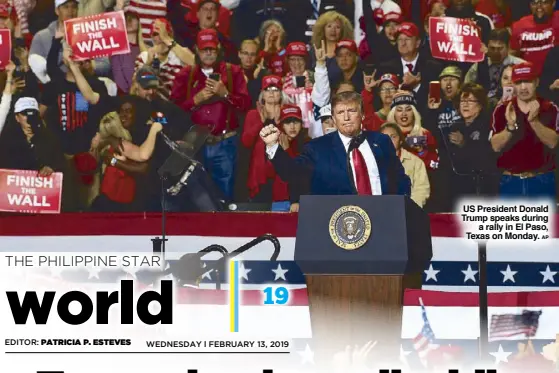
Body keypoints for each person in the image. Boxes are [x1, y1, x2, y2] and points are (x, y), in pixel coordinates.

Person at [259, 91, 411, 196]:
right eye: (340, 113)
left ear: (362, 115)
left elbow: (399, 177)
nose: (346, 117)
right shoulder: (317, 148)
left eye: (351, 111)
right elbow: (291, 173)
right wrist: (273, 146)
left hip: (383, 218)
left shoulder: (381, 141)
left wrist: (399, 206)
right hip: (338, 226)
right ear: (334, 118)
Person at [490, 62, 559, 199]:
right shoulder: (502, 109)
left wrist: (534, 121)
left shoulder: (550, 108)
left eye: (527, 81)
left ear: (536, 82)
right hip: (510, 182)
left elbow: (553, 142)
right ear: (513, 85)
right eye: (519, 82)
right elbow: (495, 146)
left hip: (542, 180)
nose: (523, 87)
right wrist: (509, 127)